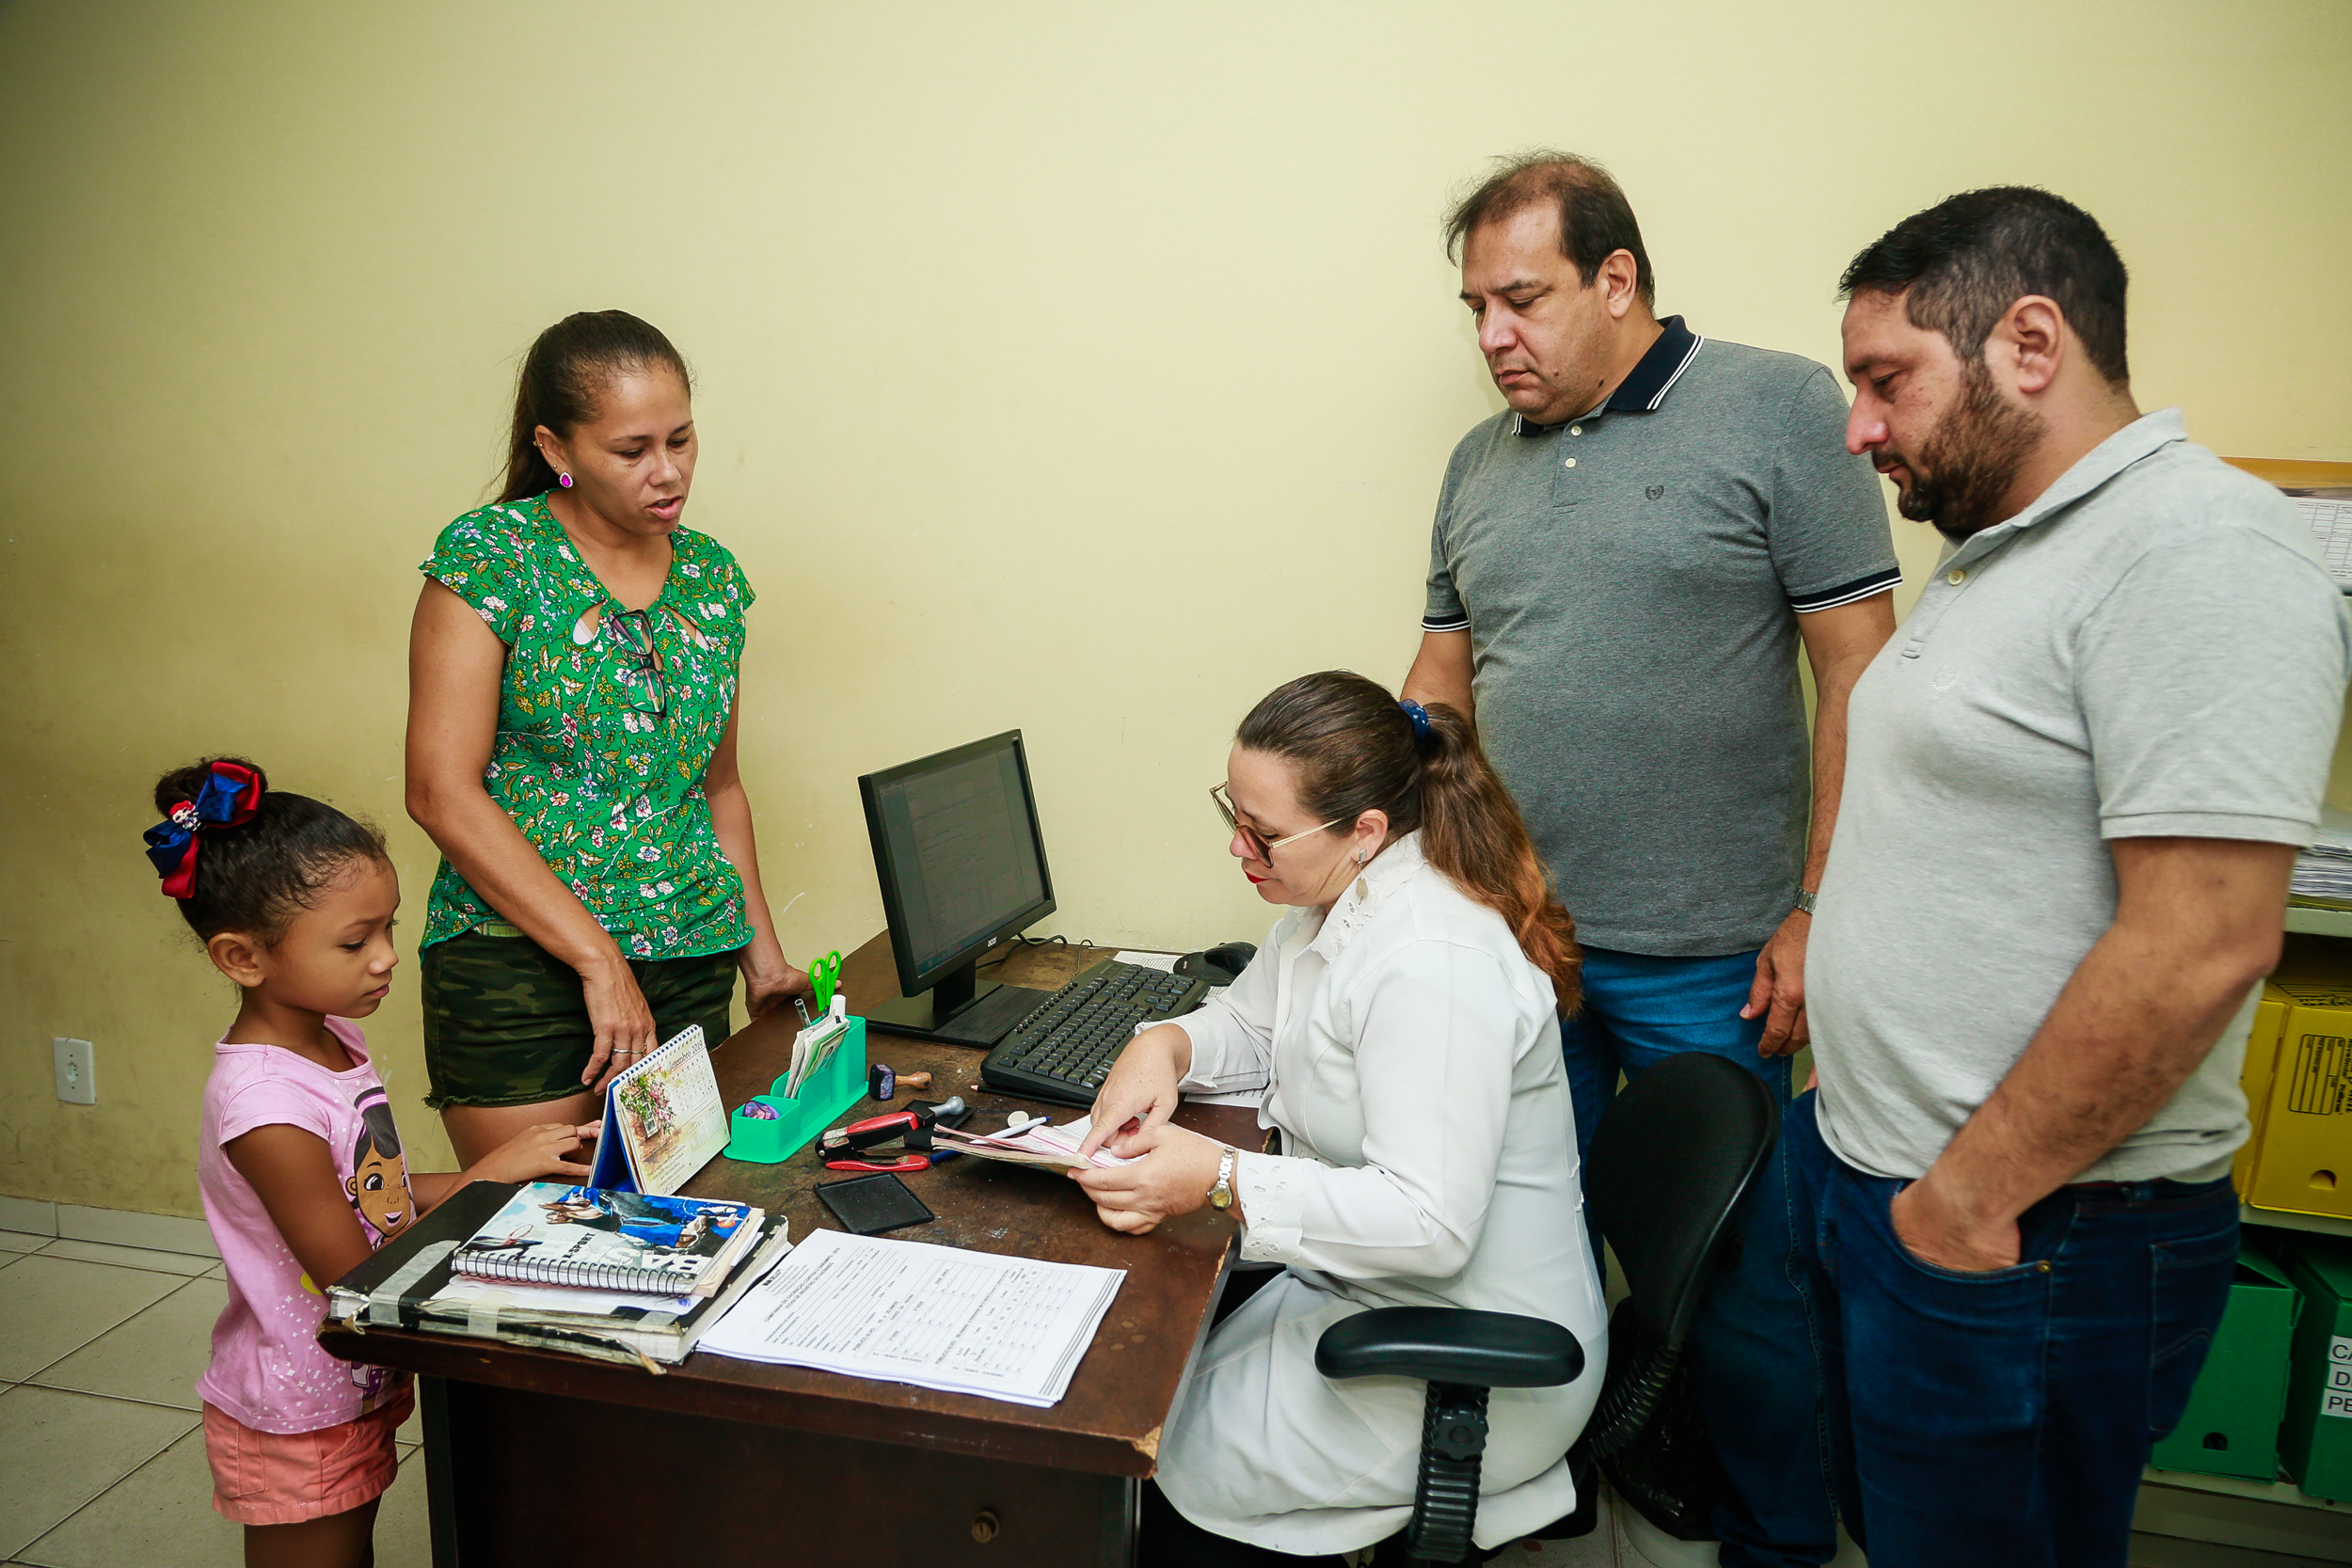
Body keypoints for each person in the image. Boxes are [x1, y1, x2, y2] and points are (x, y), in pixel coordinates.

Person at [1800, 187, 2351, 1566]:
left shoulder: (2199, 548)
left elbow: (2204, 941)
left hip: (2034, 1228)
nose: (1862, 427)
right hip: (1899, 1186)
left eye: (1888, 381)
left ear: (2030, 342)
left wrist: (1967, 1200)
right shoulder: (2010, 548)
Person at [1401, 150, 1898, 1563]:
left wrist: (1818, 909)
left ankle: (1778, 1542)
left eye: (1522, 299)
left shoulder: (1781, 406)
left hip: (1715, 960)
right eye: (1474, 308)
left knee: (1744, 1290)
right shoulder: (1474, 463)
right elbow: (1447, 666)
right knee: (1518, 1248)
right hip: (1524, 946)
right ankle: (1537, 1508)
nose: (1494, 337)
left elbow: (1859, 668)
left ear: (1616, 280)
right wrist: (1375, 793)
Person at [1074, 671, 1607, 1565]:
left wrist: (1215, 1178)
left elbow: (1429, 1224)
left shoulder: (1431, 961)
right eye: (1231, 814)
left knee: (1154, 1460)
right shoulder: (1336, 904)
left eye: (1265, 833)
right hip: (1368, 1293)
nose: (1239, 847)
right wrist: (1163, 1043)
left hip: (1471, 1350)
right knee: (1149, 1391)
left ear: (1363, 830)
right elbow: (1253, 1024)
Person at [147, 757, 596, 1568]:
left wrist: (484, 1171)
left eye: (388, 926)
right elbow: (353, 1272)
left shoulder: (328, 1036)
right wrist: (481, 1195)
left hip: (349, 1380)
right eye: (356, 940)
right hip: (298, 1404)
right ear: (241, 957)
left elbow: (368, 1190)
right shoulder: (266, 1107)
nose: (388, 956)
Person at [406, 310, 808, 1165]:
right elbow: (441, 789)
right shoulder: (493, 557)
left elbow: (718, 786)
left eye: (681, 440)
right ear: (557, 448)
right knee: (531, 1229)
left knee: (672, 1228)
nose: (667, 473)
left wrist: (762, 960)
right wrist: (598, 959)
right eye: (632, 451)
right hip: (520, 965)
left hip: (691, 955)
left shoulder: (711, 576)